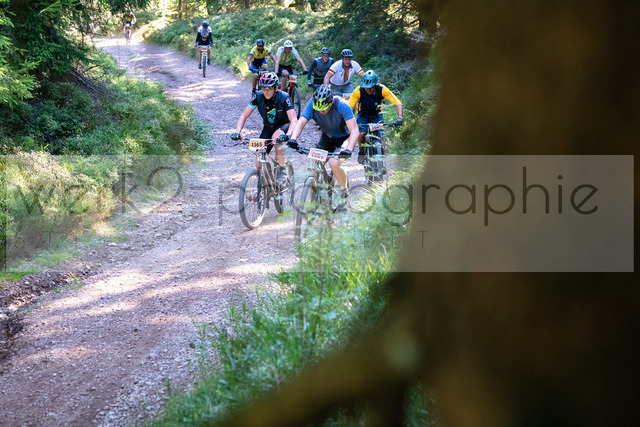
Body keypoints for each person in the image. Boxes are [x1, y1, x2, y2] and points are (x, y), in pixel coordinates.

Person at [284, 85, 359, 198]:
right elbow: (301, 122)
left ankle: (344, 191)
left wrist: (349, 149)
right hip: (327, 137)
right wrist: (293, 138)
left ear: (331, 102)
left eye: (324, 109)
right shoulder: (312, 103)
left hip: (344, 138)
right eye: (319, 109)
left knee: (334, 163)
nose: (321, 111)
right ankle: (315, 200)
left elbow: (354, 130)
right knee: (314, 166)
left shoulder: (342, 105)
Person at [231, 72, 297, 181]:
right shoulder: (258, 96)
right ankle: (266, 183)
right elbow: (243, 116)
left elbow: (294, 120)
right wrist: (237, 132)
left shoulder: (284, 97)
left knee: (276, 139)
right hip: (268, 128)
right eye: (263, 88)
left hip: (283, 125)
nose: (266, 91)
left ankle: (282, 170)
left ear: (276, 88)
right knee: (259, 160)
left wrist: (289, 134)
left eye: (269, 88)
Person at [347, 69, 404, 162]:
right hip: (363, 115)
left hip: (377, 115)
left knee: (380, 137)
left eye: (370, 87)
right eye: (366, 87)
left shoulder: (382, 89)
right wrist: (348, 122)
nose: (368, 89)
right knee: (361, 133)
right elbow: (349, 107)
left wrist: (400, 118)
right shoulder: (358, 90)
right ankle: (361, 150)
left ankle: (381, 162)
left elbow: (397, 102)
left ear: (375, 85)